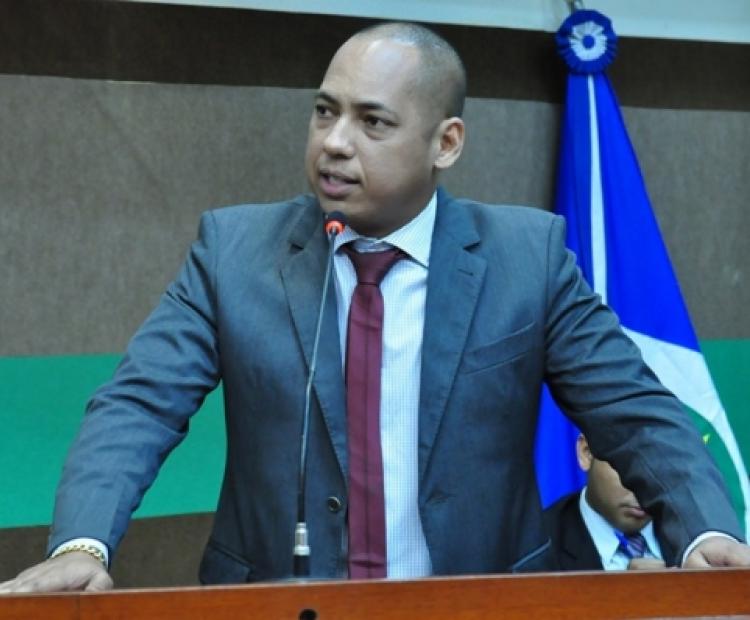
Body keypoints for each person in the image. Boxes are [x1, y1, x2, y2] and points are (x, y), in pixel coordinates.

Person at [2, 21, 749, 594]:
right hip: (278, 603)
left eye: (372, 122)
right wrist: (82, 544)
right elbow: (138, 405)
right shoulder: (233, 251)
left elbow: (634, 411)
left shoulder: (529, 259)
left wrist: (705, 532)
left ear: (445, 143)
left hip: (480, 607)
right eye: (324, 112)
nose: (334, 143)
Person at [545, 434, 668, 571]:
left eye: (659, 467)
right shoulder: (536, 546)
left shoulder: (688, 538)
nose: (642, 485)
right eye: (626, 464)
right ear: (586, 452)